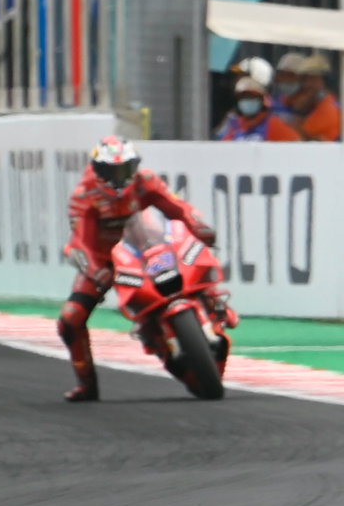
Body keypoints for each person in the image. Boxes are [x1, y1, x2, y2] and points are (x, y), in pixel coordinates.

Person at [58, 136, 222, 402]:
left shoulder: (144, 180)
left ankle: (214, 304)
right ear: (98, 170)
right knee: (70, 319)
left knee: (194, 262)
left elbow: (177, 207)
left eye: (125, 169)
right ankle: (86, 384)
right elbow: (80, 243)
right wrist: (95, 269)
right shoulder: (84, 195)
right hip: (105, 261)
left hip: (145, 247)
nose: (119, 177)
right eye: (111, 171)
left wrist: (198, 227)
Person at [217, 77, 301, 142]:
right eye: (243, 98)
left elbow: (295, 147)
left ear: (261, 100)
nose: (247, 100)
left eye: (251, 97)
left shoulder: (272, 124)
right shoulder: (234, 126)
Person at [279, 55, 340, 142]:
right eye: (305, 79)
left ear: (324, 82)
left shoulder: (329, 108)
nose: (308, 84)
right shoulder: (310, 103)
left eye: (313, 79)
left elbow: (297, 137)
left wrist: (298, 114)